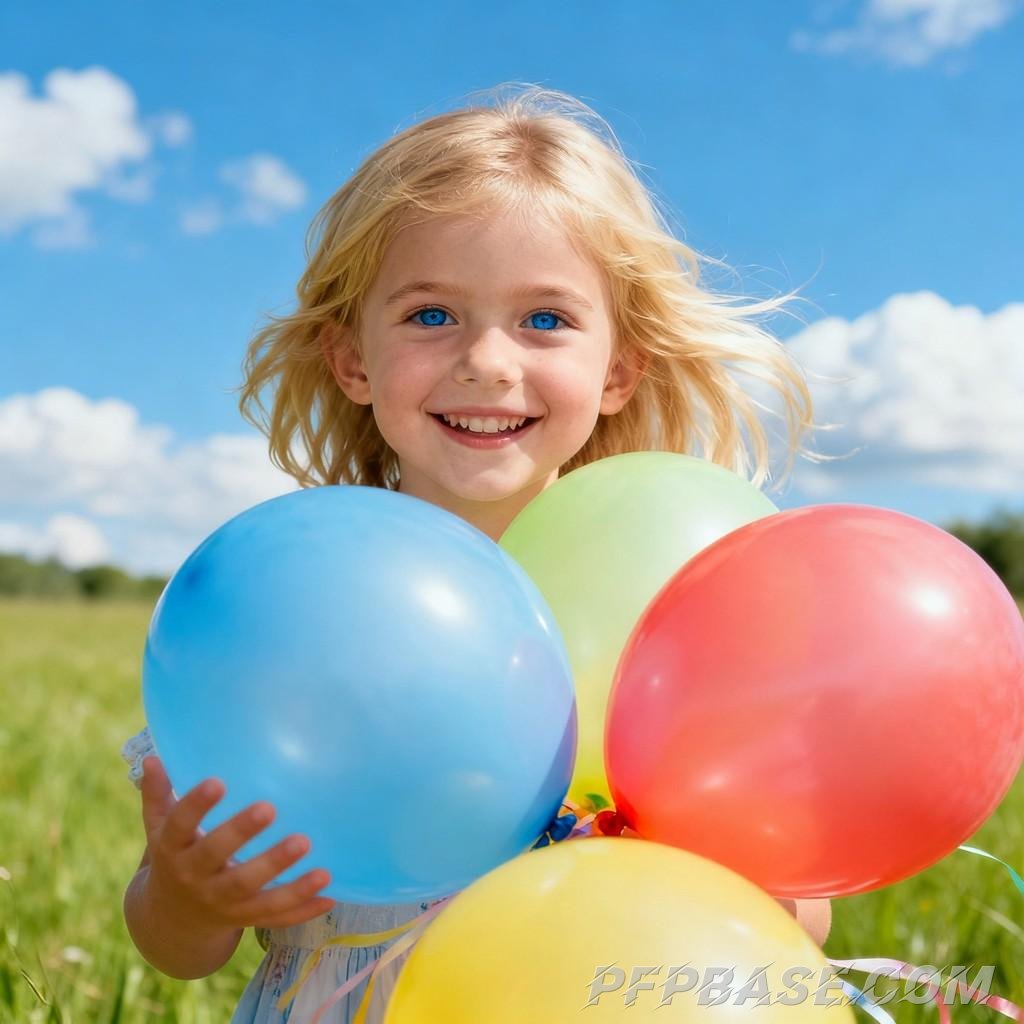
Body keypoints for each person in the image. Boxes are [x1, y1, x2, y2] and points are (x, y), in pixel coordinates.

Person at [121, 82, 831, 1022]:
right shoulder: (295, 610)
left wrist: (699, 847)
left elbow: (801, 922)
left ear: (617, 370)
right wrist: (191, 896)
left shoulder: (680, 614)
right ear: (353, 361)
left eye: (545, 320)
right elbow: (172, 950)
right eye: (430, 316)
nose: (488, 361)